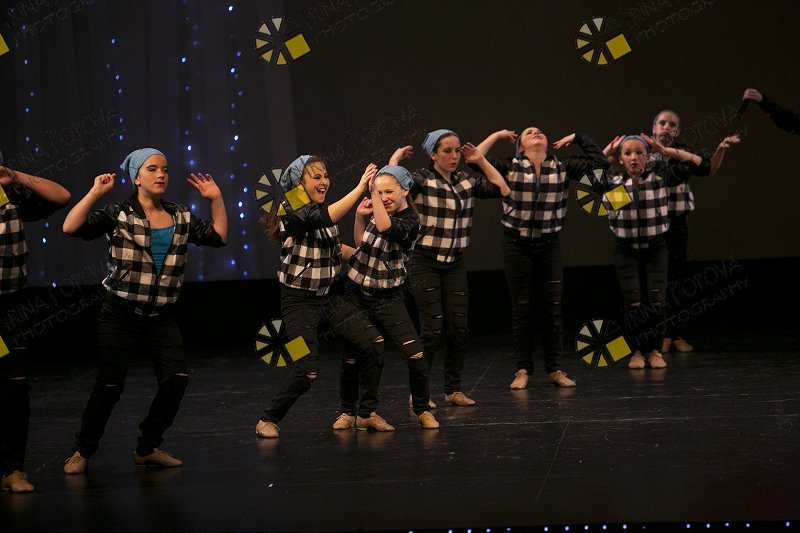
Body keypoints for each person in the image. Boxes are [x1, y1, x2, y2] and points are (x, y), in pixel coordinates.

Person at [61, 148, 227, 473]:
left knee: (176, 380)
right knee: (109, 387)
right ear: (136, 178)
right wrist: (95, 192)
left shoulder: (180, 215)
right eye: (152, 169)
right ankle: (82, 450)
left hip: (161, 316)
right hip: (120, 313)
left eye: (165, 169)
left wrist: (216, 199)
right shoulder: (118, 213)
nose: (161, 174)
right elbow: (70, 227)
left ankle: (147, 447)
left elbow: (219, 237)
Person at [257, 156, 388, 437]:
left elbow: (335, 248)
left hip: (329, 298)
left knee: (373, 342)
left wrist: (368, 257)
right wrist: (360, 187)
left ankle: (363, 413)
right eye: (316, 177)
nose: (324, 182)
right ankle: (268, 419)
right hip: (297, 303)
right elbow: (321, 218)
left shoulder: (322, 210)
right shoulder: (290, 206)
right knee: (306, 372)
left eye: (325, 176)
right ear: (299, 183)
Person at [475, 127, 607, 389]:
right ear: (520, 147)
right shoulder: (510, 166)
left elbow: (600, 164)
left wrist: (579, 138)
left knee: (553, 309)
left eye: (539, 131)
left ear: (547, 144)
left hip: (549, 245)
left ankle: (554, 369)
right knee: (522, 310)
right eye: (529, 132)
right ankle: (523, 370)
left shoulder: (562, 166)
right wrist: (497, 135)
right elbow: (474, 158)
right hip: (516, 245)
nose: (536, 132)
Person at [387, 130, 510, 408]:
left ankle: (453, 389)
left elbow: (502, 188)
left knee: (459, 328)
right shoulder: (421, 179)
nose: (454, 156)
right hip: (424, 260)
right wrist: (395, 159)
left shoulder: (465, 180)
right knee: (432, 330)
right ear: (433, 154)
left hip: (454, 262)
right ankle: (419, 392)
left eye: (457, 151)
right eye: (447, 151)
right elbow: (392, 185)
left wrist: (480, 160)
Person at [335, 165, 439, 429]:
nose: (383, 197)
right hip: (357, 294)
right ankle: (352, 412)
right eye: (379, 192)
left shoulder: (411, 222)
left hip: (387, 298)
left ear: (405, 191)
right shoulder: (378, 212)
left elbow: (385, 226)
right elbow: (363, 246)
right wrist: (359, 217)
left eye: (389, 192)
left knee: (416, 355)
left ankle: (422, 409)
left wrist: (373, 194)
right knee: (353, 357)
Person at [599, 135, 704, 369]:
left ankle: (655, 350)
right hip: (625, 249)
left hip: (655, 248)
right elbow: (588, 176)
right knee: (633, 302)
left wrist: (664, 150)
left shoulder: (660, 178)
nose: (634, 158)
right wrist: (606, 152)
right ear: (620, 158)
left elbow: (696, 164)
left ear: (648, 157)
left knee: (656, 301)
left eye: (639, 153)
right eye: (628, 153)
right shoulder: (613, 182)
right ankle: (636, 351)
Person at [644, 110, 739, 353]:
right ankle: (658, 336)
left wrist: (720, 149)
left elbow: (708, 169)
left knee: (676, 280)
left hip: (676, 224)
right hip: (651, 227)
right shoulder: (643, 153)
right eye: (662, 123)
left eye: (672, 124)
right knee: (656, 281)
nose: (667, 127)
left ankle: (676, 334)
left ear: (677, 131)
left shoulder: (683, 154)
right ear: (654, 127)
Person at [0, 164, 70, 492]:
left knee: (14, 387)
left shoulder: (9, 198)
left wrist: (15, 177)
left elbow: (61, 196)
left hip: (8, 307)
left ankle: (13, 470)